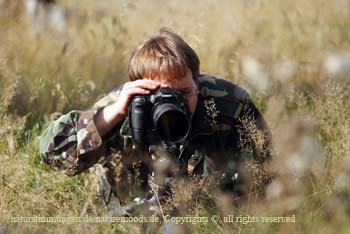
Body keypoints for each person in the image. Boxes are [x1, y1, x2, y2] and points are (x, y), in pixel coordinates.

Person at [39, 28, 272, 216]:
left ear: (197, 81)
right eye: (162, 96)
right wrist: (112, 115)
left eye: (184, 92)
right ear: (139, 90)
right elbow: (53, 157)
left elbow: (270, 172)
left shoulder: (228, 102)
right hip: (133, 217)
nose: (175, 104)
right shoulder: (123, 106)